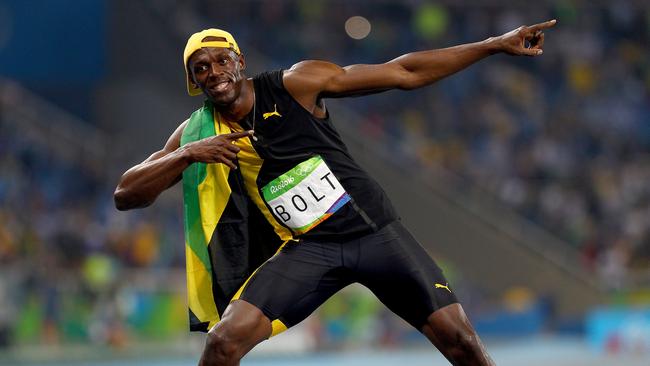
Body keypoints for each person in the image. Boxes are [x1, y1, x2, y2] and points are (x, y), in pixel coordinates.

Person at [114, 19, 556, 366]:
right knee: (224, 342)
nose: (213, 73)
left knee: (461, 344)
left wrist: (493, 44)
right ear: (194, 81)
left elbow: (403, 72)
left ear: (239, 60)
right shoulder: (197, 133)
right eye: (201, 69)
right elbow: (126, 193)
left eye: (219, 60)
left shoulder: (295, 84)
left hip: (374, 234)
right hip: (310, 249)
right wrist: (189, 154)